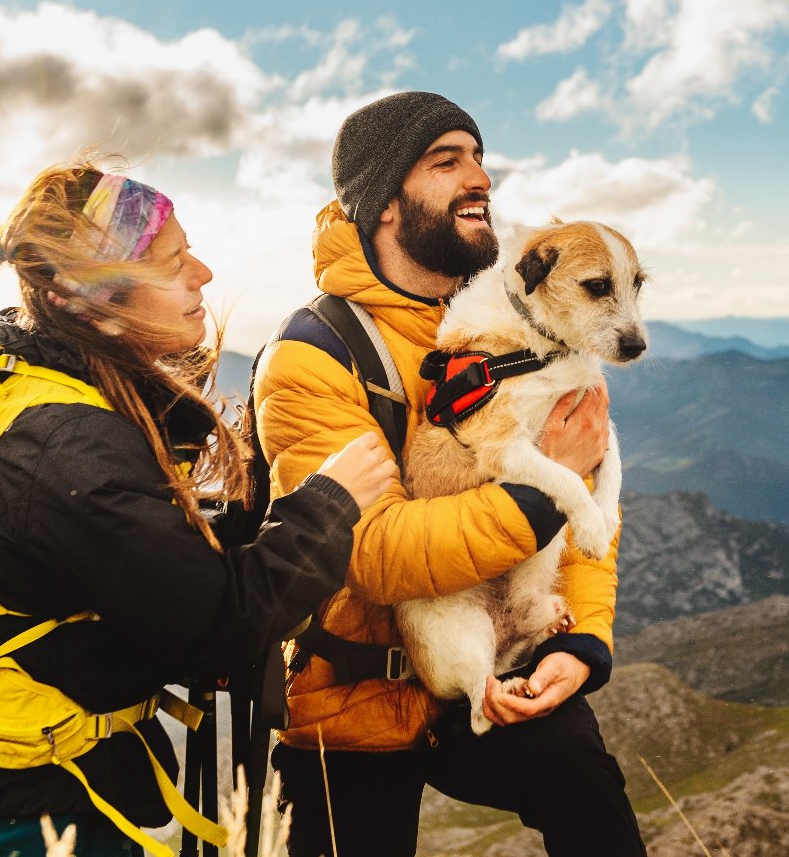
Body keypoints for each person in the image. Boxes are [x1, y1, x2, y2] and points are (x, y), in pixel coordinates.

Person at [0, 159, 396, 857]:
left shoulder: (62, 393)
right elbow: (216, 627)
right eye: (171, 263)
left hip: (41, 775)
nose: (204, 273)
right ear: (93, 299)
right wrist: (331, 504)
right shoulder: (65, 447)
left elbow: (141, 564)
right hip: (23, 808)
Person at [253, 92, 647, 855]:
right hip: (356, 699)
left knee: (588, 794)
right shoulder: (313, 354)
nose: (480, 178)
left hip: (506, 651)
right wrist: (538, 493)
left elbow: (591, 509)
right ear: (383, 202)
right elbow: (369, 553)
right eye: (446, 161)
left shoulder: (521, 321)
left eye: (479, 158)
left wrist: (582, 645)